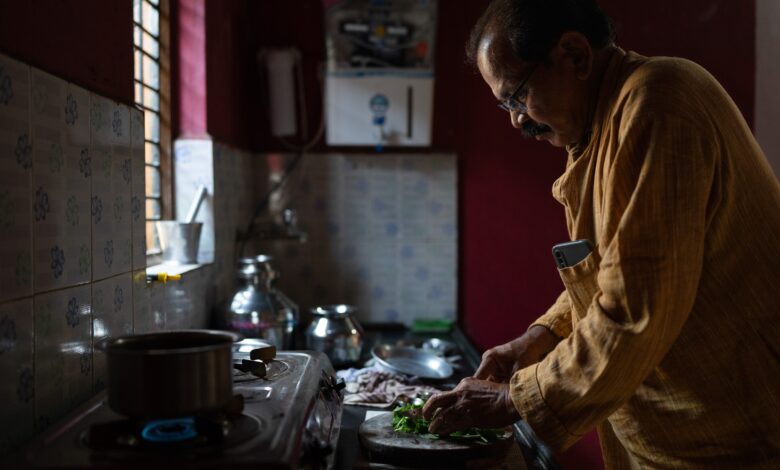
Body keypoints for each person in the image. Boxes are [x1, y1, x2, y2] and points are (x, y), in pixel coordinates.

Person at [421, 0, 780, 468]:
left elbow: (635, 309)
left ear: (574, 55)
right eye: (505, 105)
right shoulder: (599, 128)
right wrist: (538, 338)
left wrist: (513, 401)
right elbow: (614, 265)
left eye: (517, 95)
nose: (516, 119)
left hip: (734, 443)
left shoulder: (659, 102)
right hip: (670, 442)